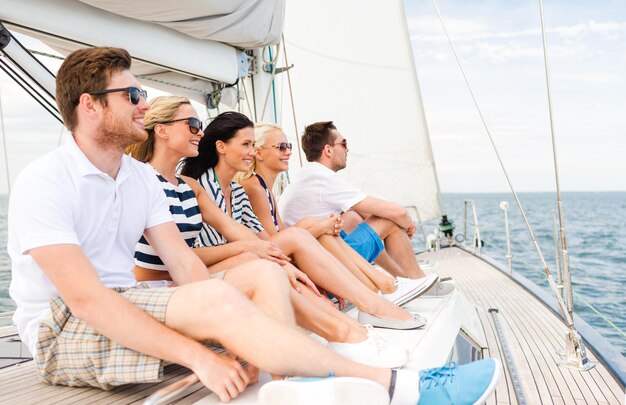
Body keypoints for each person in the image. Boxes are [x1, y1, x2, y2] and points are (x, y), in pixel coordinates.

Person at [7, 46, 500, 405]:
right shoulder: (45, 182)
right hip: (61, 326)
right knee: (232, 290)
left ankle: (285, 389)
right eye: (132, 93)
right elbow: (87, 300)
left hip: (128, 302)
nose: (142, 102)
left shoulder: (137, 179)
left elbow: (185, 267)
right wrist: (201, 353)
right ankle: (398, 387)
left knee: (263, 273)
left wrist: (225, 322)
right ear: (89, 105)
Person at [126, 95, 407, 368]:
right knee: (258, 258)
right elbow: (169, 261)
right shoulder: (141, 180)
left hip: (191, 276)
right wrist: (253, 250)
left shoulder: (189, 186)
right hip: (161, 289)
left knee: (270, 255)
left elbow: (234, 229)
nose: (200, 133)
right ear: (161, 130)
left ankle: (347, 328)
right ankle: (344, 330)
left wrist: (275, 256)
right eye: (193, 126)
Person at [179, 111, 432, 330]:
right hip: (214, 273)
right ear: (221, 147)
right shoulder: (203, 188)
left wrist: (291, 261)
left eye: (252, 145)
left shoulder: (236, 192)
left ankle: (377, 290)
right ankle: (378, 292)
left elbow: (268, 242)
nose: (251, 152)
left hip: (245, 261)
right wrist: (305, 238)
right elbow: (192, 254)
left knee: (313, 231)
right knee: (311, 231)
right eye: (246, 145)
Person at [239, 123, 435, 304]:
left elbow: (356, 211)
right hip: (305, 263)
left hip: (308, 258)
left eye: (289, 146)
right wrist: (406, 223)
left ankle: (395, 281)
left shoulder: (269, 189)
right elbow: (274, 246)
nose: (288, 152)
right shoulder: (258, 188)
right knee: (380, 222)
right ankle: (403, 282)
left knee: (348, 219)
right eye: (281, 147)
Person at [278, 121, 454, 296]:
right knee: (388, 220)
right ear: (328, 150)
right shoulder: (323, 178)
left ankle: (403, 280)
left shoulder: (308, 174)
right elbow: (398, 212)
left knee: (353, 218)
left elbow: (365, 213)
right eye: (343, 144)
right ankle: (421, 283)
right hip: (324, 272)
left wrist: (398, 220)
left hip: (312, 262)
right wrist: (406, 224)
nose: (347, 149)